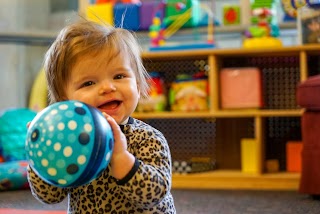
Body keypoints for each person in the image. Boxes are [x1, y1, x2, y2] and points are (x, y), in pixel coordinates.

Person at [27, 19, 176, 214]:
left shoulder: (149, 139)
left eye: (119, 76)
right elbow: (49, 196)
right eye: (89, 83)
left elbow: (155, 193)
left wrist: (123, 159)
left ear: (138, 87)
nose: (107, 87)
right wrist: (41, 156)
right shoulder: (68, 140)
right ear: (65, 102)